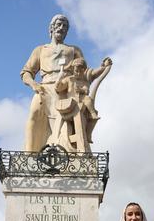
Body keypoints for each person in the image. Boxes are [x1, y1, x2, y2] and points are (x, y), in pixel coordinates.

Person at [21, 14, 111, 152]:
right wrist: (34, 84)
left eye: (64, 26)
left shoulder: (73, 50)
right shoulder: (40, 50)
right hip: (44, 88)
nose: (61, 28)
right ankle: (30, 153)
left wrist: (102, 68)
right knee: (34, 113)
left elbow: (85, 74)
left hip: (65, 90)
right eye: (58, 25)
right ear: (51, 28)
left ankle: (66, 154)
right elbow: (26, 72)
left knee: (63, 127)